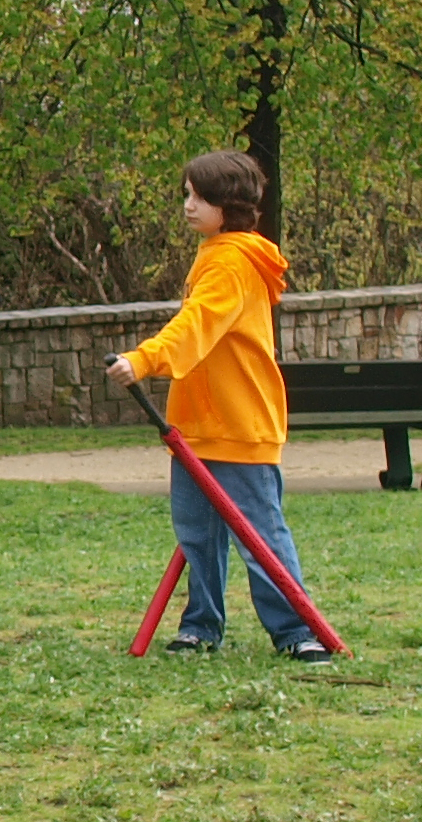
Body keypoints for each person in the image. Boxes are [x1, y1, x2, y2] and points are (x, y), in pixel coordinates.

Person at [106, 150, 328, 662]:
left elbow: (197, 325)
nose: (188, 205)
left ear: (227, 205)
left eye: (199, 197)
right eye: (186, 194)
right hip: (198, 425)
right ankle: (201, 626)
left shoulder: (232, 262)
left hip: (238, 422)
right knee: (197, 535)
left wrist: (144, 359)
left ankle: (297, 631)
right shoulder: (214, 253)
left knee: (260, 535)